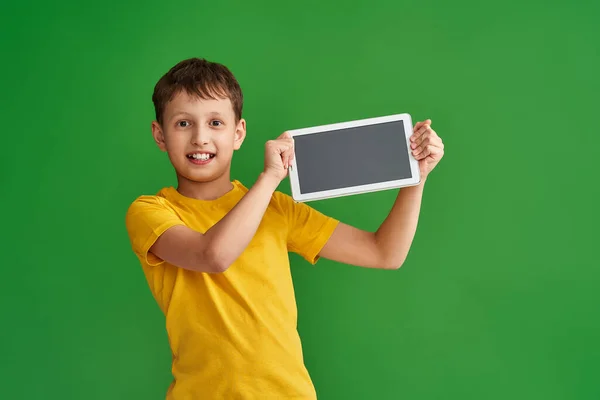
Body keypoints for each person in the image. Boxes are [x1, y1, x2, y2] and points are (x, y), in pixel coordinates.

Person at [125, 57, 445, 400]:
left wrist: (417, 176)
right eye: (184, 123)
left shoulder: (276, 210)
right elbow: (213, 254)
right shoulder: (150, 211)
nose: (201, 138)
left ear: (238, 133)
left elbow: (385, 253)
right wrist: (270, 178)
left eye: (216, 122)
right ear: (160, 135)